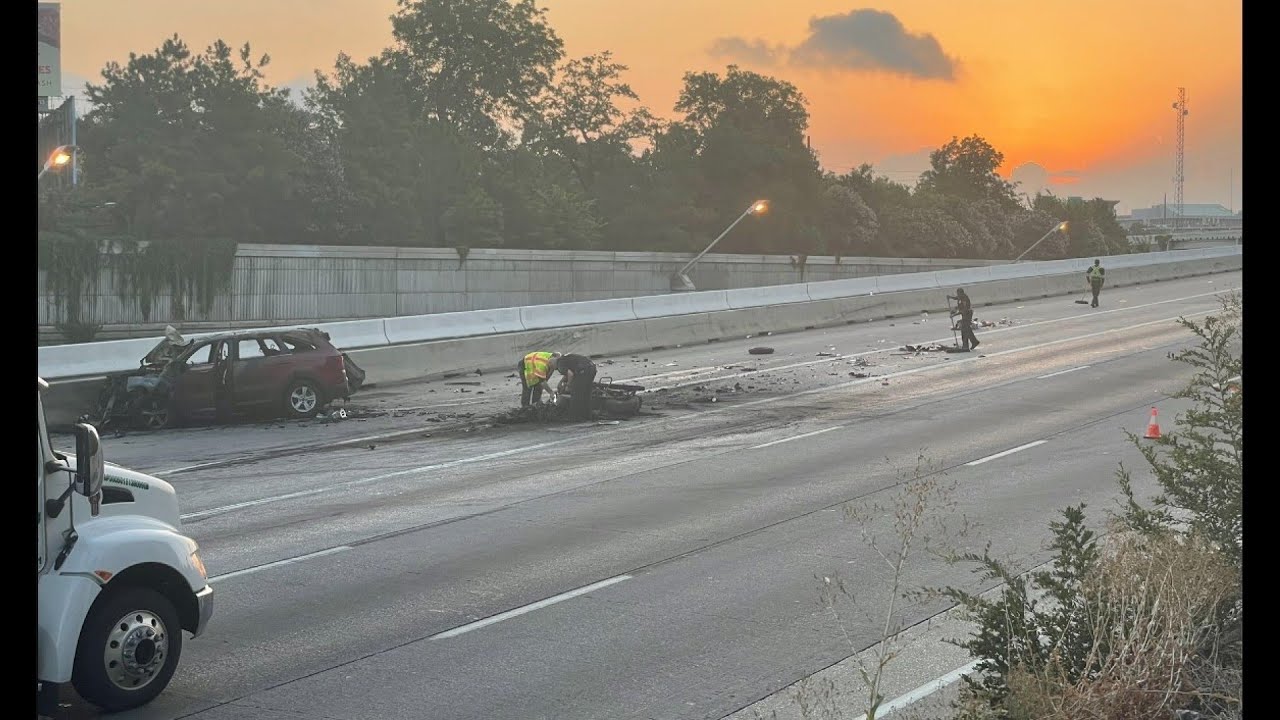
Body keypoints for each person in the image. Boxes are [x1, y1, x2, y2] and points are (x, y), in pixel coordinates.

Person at [555, 353, 598, 421]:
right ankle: (587, 416)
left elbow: (570, 374)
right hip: (592, 368)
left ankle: (575, 417)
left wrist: (568, 386)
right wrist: (561, 382)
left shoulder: (559, 364)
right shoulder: (565, 359)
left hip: (583, 370)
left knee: (576, 395)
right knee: (586, 394)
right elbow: (569, 372)